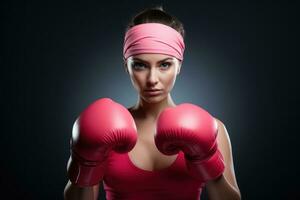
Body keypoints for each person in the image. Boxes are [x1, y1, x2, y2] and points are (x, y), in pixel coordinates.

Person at [64, 6, 241, 200]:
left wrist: (208, 161)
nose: (152, 79)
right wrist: (84, 164)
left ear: (179, 65)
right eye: (140, 65)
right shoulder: (101, 126)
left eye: (164, 64)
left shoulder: (213, 128)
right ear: (126, 66)